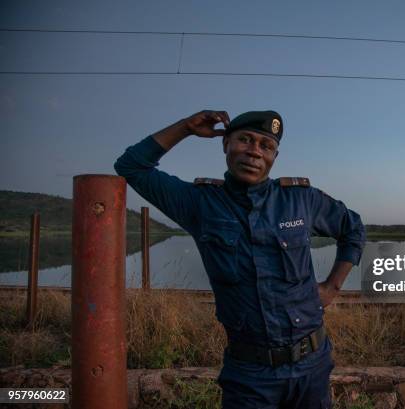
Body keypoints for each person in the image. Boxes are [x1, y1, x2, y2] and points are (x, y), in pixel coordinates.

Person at [114, 109, 365, 408]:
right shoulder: (199, 203)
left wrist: (332, 287)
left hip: (312, 365)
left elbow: (353, 229)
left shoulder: (300, 199)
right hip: (249, 375)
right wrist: (185, 128)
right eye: (244, 140)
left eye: (266, 146)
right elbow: (131, 166)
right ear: (225, 144)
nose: (254, 152)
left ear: (274, 155)